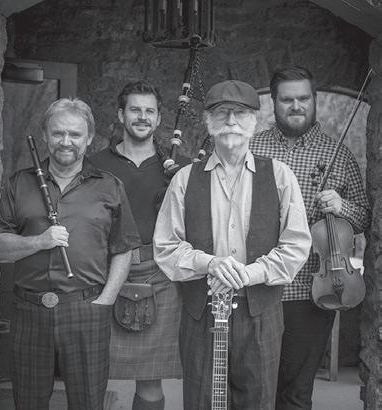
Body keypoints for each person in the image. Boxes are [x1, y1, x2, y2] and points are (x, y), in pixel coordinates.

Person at [153, 79, 312, 410]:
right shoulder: (185, 179)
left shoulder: (280, 175)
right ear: (207, 121)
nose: (230, 121)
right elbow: (166, 246)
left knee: (257, 400)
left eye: (240, 113)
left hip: (260, 315)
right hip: (201, 313)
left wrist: (249, 274)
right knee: (202, 402)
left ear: (255, 120)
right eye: (221, 112)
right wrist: (209, 263)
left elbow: (296, 246)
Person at [0, 98, 141, 410]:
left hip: (87, 309)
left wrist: (106, 301)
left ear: (89, 138)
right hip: (30, 311)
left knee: (87, 403)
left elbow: (123, 249)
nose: (66, 141)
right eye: (58, 133)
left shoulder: (109, 187)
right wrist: (38, 241)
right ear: (45, 135)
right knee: (28, 403)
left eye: (75, 134)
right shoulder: (19, 183)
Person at [250, 66, 371, 410]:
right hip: (256, 286)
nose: (296, 106)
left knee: (296, 394)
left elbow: (363, 217)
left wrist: (342, 205)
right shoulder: (250, 147)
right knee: (252, 388)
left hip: (311, 289)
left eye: (303, 98)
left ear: (314, 100)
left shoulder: (338, 154)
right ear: (274, 103)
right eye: (287, 99)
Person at [91, 80, 189, 410]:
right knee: (91, 373)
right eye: (135, 110)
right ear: (121, 115)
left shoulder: (179, 168)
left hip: (160, 273)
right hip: (102, 273)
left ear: (159, 118)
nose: (142, 117)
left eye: (150, 111)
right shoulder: (95, 166)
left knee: (151, 377)